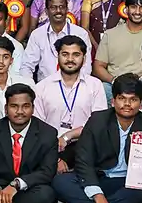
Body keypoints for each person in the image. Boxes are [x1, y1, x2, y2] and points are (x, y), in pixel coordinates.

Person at [52, 74, 142, 203]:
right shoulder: (97, 121)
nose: (127, 104)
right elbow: (84, 162)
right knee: (60, 182)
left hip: (127, 184)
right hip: (99, 179)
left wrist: (141, 148)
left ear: (141, 104)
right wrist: (98, 197)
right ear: (113, 101)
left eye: (133, 99)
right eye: (122, 98)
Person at [33, 35, 108, 170]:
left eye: (76, 55)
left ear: (84, 58)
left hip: (85, 147)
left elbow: (99, 124)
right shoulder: (42, 87)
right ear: (57, 56)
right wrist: (55, 159)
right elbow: (37, 128)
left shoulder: (95, 85)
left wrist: (68, 136)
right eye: (65, 54)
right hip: (50, 148)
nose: (70, 59)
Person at [94, 0, 142, 92]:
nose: (137, 12)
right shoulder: (110, 34)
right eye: (133, 7)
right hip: (114, 85)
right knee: (103, 89)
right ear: (126, 9)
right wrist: (114, 81)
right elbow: (98, 67)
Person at [22, 0, 91, 83]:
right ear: (46, 11)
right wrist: (30, 86)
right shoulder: (37, 34)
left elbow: (86, 66)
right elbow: (27, 65)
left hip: (75, 85)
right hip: (45, 86)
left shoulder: (81, 33)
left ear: (67, 9)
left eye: (62, 7)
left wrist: (78, 86)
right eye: (53, 7)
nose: (58, 10)